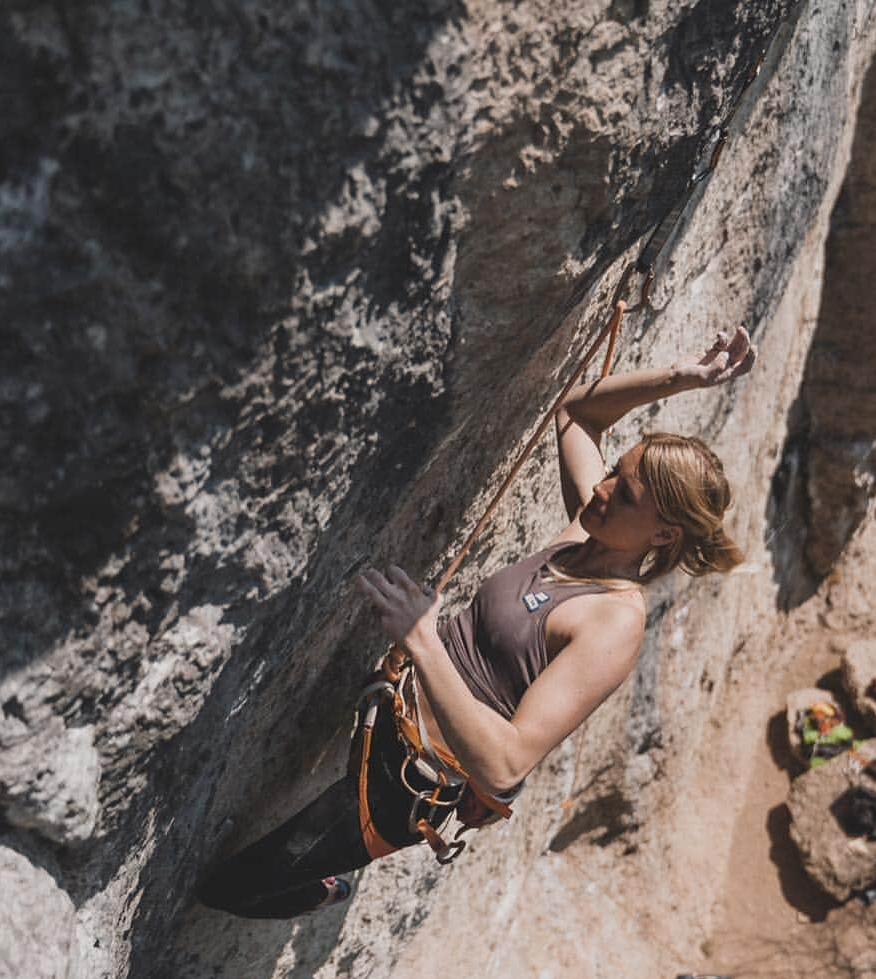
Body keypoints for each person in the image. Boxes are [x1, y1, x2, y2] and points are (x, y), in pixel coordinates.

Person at [198, 327, 756, 918]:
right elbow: (576, 412)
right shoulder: (582, 536)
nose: (603, 487)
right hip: (388, 707)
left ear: (663, 533)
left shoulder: (613, 624)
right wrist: (682, 378)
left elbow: (507, 766)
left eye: (626, 494)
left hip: (403, 783)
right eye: (615, 470)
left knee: (231, 888)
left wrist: (423, 641)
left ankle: (326, 891)